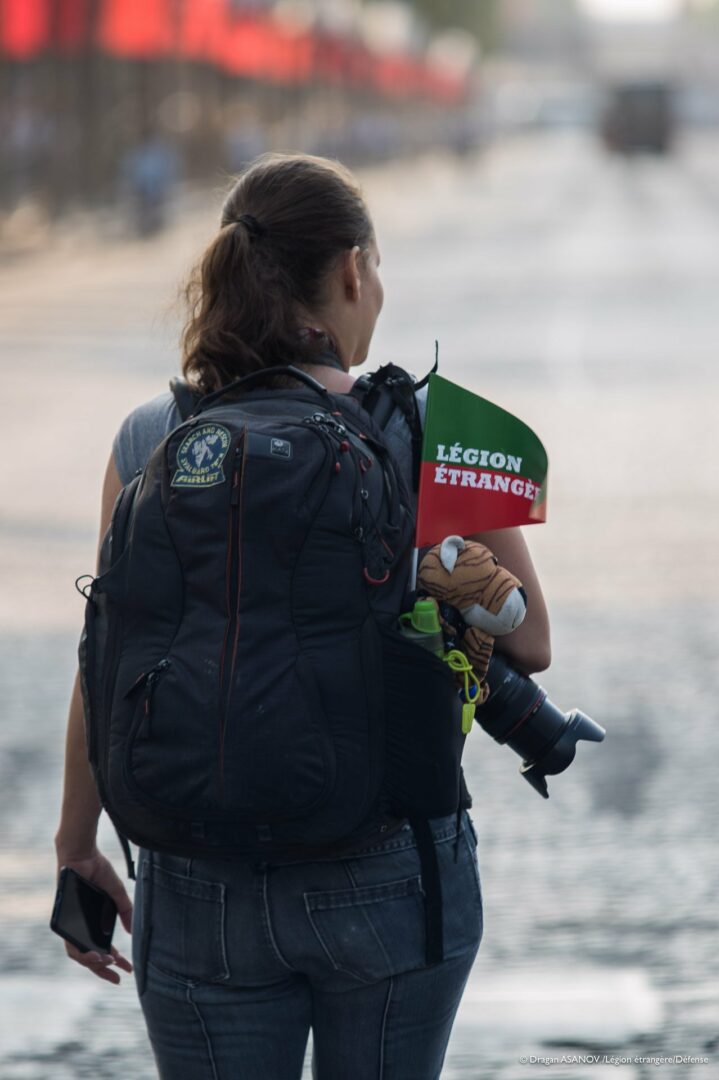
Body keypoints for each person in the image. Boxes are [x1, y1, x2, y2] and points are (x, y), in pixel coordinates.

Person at [55, 152, 551, 1079]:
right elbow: (530, 641)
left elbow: (106, 655)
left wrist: (76, 845)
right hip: (391, 870)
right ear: (353, 271)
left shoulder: (152, 436)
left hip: (194, 884)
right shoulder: (432, 427)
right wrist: (431, 562)